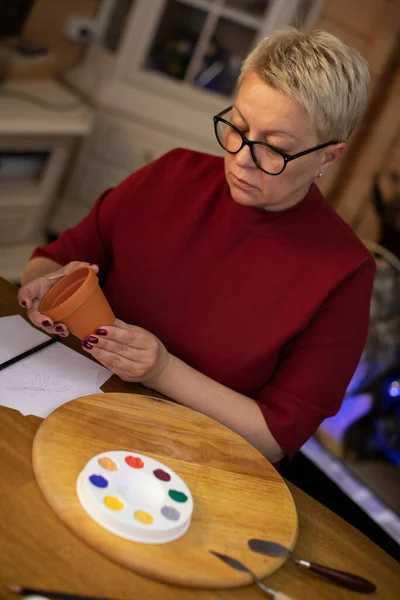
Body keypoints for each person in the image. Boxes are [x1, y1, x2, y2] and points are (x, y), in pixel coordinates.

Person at [18, 28, 376, 464]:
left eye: (275, 148)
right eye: (238, 128)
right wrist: (45, 288)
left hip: (189, 459)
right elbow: (53, 259)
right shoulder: (172, 174)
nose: (243, 157)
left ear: (328, 158)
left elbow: (275, 437)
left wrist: (162, 371)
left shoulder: (344, 273)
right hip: (65, 406)